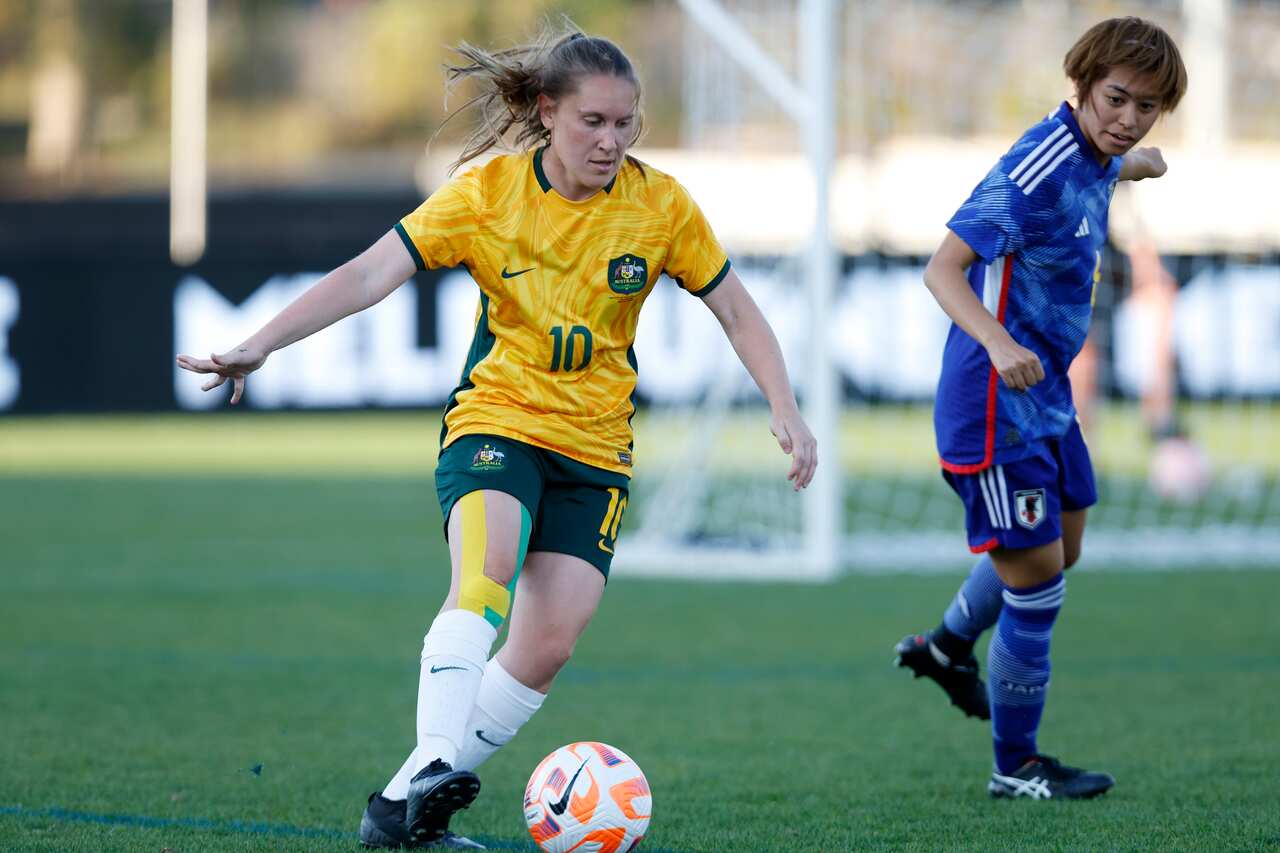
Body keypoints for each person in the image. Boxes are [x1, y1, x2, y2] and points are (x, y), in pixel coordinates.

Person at [177, 25, 816, 848]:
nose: (611, 140)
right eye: (593, 121)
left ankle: (398, 810)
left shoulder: (661, 206)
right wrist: (262, 340)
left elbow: (733, 305)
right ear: (548, 112)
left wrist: (785, 405)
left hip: (598, 452)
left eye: (626, 123)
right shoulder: (488, 196)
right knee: (486, 577)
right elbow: (373, 270)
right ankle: (438, 762)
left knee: (547, 645)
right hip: (497, 425)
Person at [891, 17, 1186, 799]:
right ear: (1082, 84)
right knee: (1038, 585)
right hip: (994, 402)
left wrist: (1136, 163)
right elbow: (944, 269)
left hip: (1045, 397)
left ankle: (948, 644)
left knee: (1064, 546)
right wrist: (995, 342)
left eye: (1147, 107)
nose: (1127, 117)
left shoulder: (1096, 152)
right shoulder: (1038, 162)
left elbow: (1107, 162)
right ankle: (1014, 767)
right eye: (1117, 98)